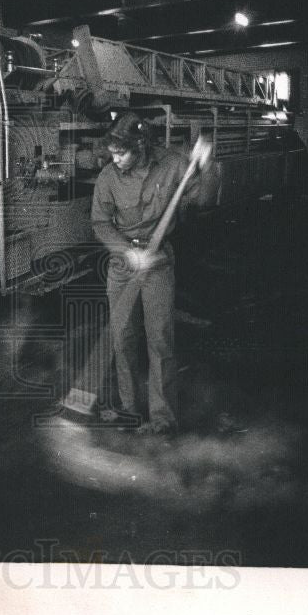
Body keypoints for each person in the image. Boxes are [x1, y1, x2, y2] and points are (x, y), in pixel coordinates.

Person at [90, 112, 216, 434]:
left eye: (122, 153)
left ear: (141, 145)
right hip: (123, 263)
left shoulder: (174, 164)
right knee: (123, 337)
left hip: (158, 261)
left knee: (160, 339)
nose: (115, 160)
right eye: (112, 154)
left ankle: (163, 420)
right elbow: (100, 222)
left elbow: (204, 198)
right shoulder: (108, 177)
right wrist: (126, 252)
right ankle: (130, 412)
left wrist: (205, 165)